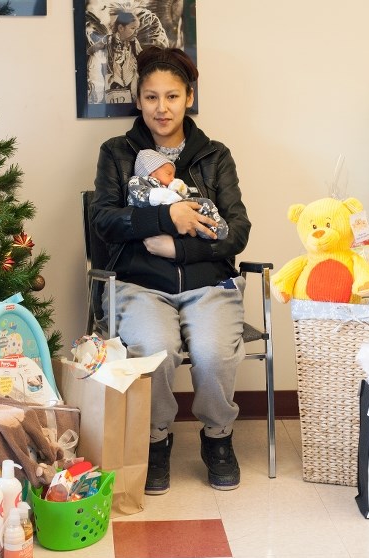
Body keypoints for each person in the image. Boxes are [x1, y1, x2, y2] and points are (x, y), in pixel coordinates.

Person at [91, 45, 251, 494]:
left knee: (213, 351)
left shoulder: (214, 156)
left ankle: (218, 437)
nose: (162, 108)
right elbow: (102, 220)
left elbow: (237, 230)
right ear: (138, 100)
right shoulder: (117, 153)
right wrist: (168, 217)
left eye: (173, 97)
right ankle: (155, 441)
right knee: (156, 348)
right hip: (140, 286)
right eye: (151, 97)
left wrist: (179, 251)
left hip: (208, 284)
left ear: (189, 98)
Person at [127, 148, 229, 240]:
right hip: (154, 222)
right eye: (168, 173)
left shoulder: (165, 187)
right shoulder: (138, 182)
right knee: (201, 204)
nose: (172, 178)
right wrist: (173, 203)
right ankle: (211, 228)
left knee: (203, 203)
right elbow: (143, 197)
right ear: (150, 172)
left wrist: (180, 190)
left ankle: (214, 225)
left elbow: (182, 196)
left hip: (176, 217)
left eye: (173, 175)